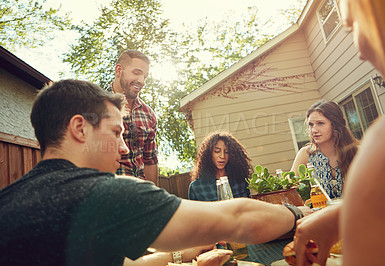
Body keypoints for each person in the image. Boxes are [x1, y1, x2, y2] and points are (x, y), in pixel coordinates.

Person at [0, 79, 312, 266]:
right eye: (116, 131)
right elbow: (238, 218)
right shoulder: (101, 193)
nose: (125, 149)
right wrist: (301, 214)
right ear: (80, 128)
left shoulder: (11, 199)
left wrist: (182, 255)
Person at [293, 0, 385, 265]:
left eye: (354, 28)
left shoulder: (370, 148)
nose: (360, 52)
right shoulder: (306, 155)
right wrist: (338, 219)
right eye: (310, 124)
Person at [107, 50, 158, 184]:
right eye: (136, 73)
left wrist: (152, 196)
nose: (141, 81)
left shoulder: (149, 115)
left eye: (145, 76)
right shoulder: (95, 106)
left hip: (141, 194)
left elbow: (150, 160)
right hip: (110, 192)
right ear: (119, 70)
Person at [290, 100, 358, 199]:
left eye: (320, 123)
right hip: (322, 213)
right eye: (311, 125)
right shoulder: (305, 154)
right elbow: (289, 188)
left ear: (335, 125)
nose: (314, 130)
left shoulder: (356, 152)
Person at [189, 131, 252, 201]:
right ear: (209, 154)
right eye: (217, 151)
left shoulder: (240, 180)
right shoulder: (197, 187)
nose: (222, 156)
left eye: (226, 152)